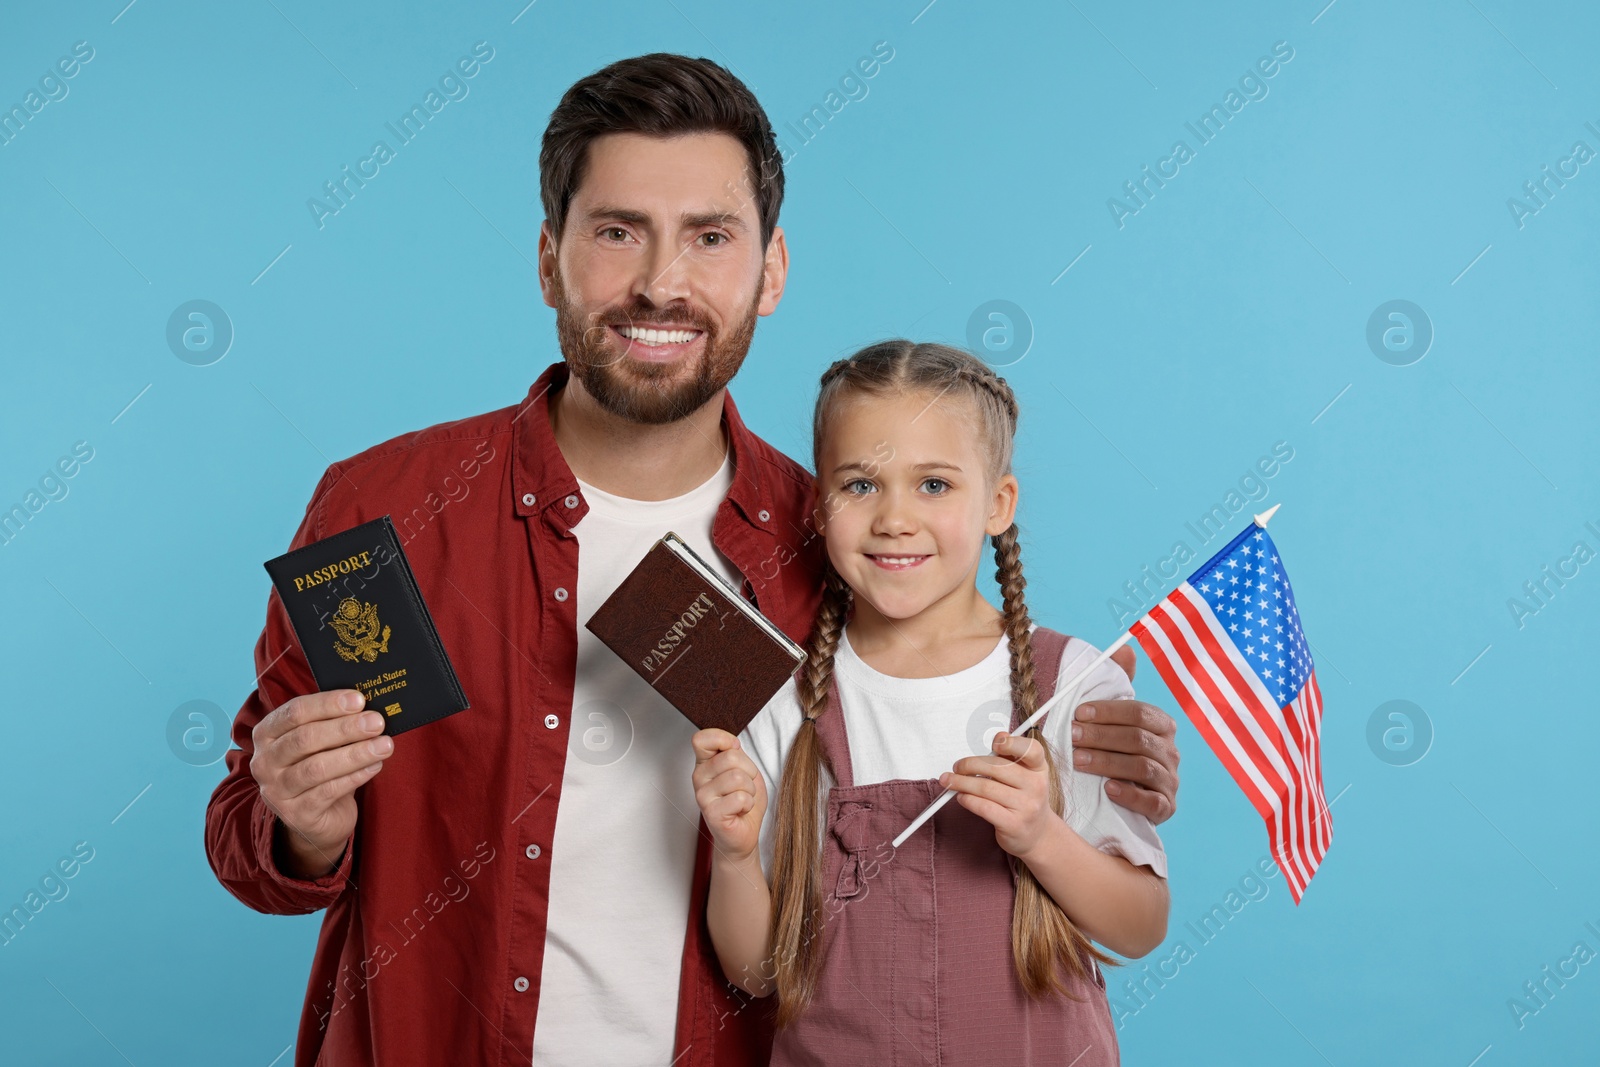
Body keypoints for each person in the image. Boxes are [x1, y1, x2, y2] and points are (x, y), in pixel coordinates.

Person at [204, 55, 1181, 1067]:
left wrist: (1085, 760)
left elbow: (951, 760)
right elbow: (248, 835)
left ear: (771, 271)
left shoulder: (842, 550)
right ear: (548, 259)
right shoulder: (383, 509)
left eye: (709, 237)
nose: (660, 283)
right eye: (617, 231)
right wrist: (300, 821)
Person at [692, 341, 1169, 1064]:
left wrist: (1041, 834)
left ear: (997, 505)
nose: (894, 518)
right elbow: (755, 970)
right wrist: (732, 854)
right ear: (820, 505)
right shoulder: (786, 697)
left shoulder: (1072, 681)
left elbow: (1140, 924)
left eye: (935, 485)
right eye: (860, 485)